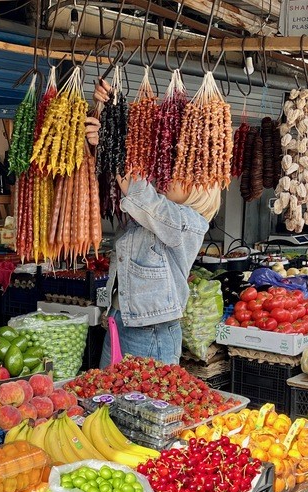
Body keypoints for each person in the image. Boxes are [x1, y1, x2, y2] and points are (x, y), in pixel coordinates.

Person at [87, 80, 213, 367]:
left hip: (152, 330)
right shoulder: (146, 217)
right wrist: (108, 109)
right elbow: (128, 180)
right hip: (121, 319)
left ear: (197, 191)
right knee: (109, 399)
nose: (168, 177)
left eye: (180, 176)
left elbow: (141, 194)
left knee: (145, 405)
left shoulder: (189, 224)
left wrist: (109, 142)